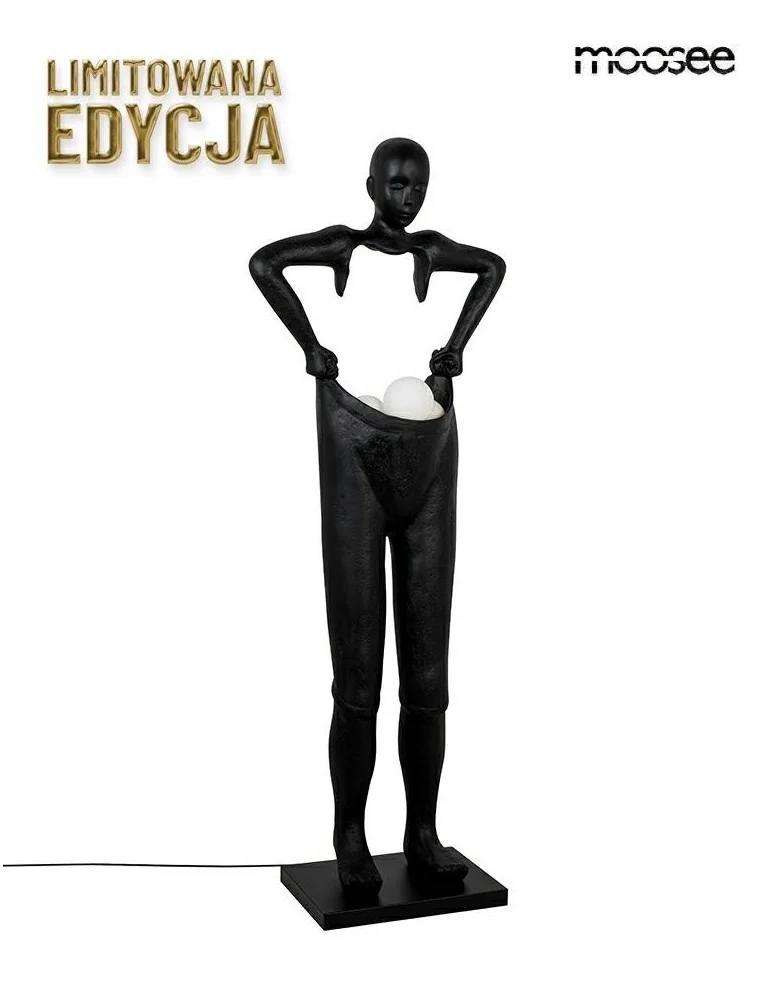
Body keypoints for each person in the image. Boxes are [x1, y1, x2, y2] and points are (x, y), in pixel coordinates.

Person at [249, 138, 505, 895]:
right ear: (370, 185)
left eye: (417, 185)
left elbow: (494, 267)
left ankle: (422, 833)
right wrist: (311, 348)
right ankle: (350, 835)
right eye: (395, 184)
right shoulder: (342, 247)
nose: (407, 196)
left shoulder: (435, 251)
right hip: (353, 448)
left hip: (429, 453)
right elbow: (264, 263)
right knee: (358, 677)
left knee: (428, 676)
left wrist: (454, 350)